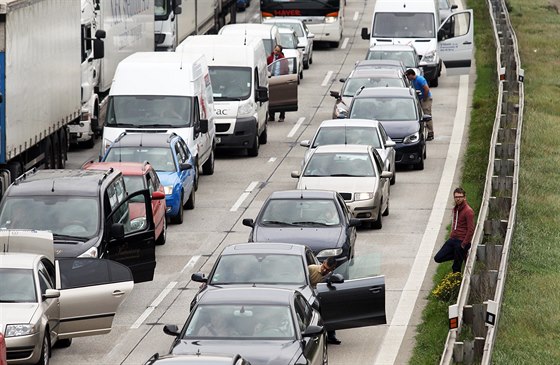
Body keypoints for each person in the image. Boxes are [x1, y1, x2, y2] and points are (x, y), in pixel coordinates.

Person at [434, 187, 475, 273]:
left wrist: (463, 244)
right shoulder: (456, 209)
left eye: (460, 197)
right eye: (456, 197)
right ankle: (460, 254)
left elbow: (471, 230)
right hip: (453, 239)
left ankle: (456, 282)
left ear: (464, 197)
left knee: (456, 268)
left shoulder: (468, 211)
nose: (458, 199)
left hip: (461, 241)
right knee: (438, 258)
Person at [308, 257, 341, 345]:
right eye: (324, 267)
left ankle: (331, 336)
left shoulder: (331, 275)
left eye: (327, 270)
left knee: (329, 312)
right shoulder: (311, 269)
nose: (324, 270)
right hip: (309, 297)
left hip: (322, 297)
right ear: (323, 263)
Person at [405, 69, 434, 140]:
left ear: (411, 74)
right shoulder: (413, 81)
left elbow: (426, 89)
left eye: (407, 76)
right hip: (421, 99)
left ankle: (430, 133)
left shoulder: (420, 79)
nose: (407, 78)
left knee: (427, 115)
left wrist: (424, 98)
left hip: (426, 99)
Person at [267, 45, 287, 122]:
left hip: (280, 80)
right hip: (271, 80)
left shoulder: (283, 59)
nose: (276, 52)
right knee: (271, 99)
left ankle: (282, 116)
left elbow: (286, 70)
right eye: (275, 50)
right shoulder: (270, 58)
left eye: (278, 51)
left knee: (281, 99)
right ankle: (271, 116)